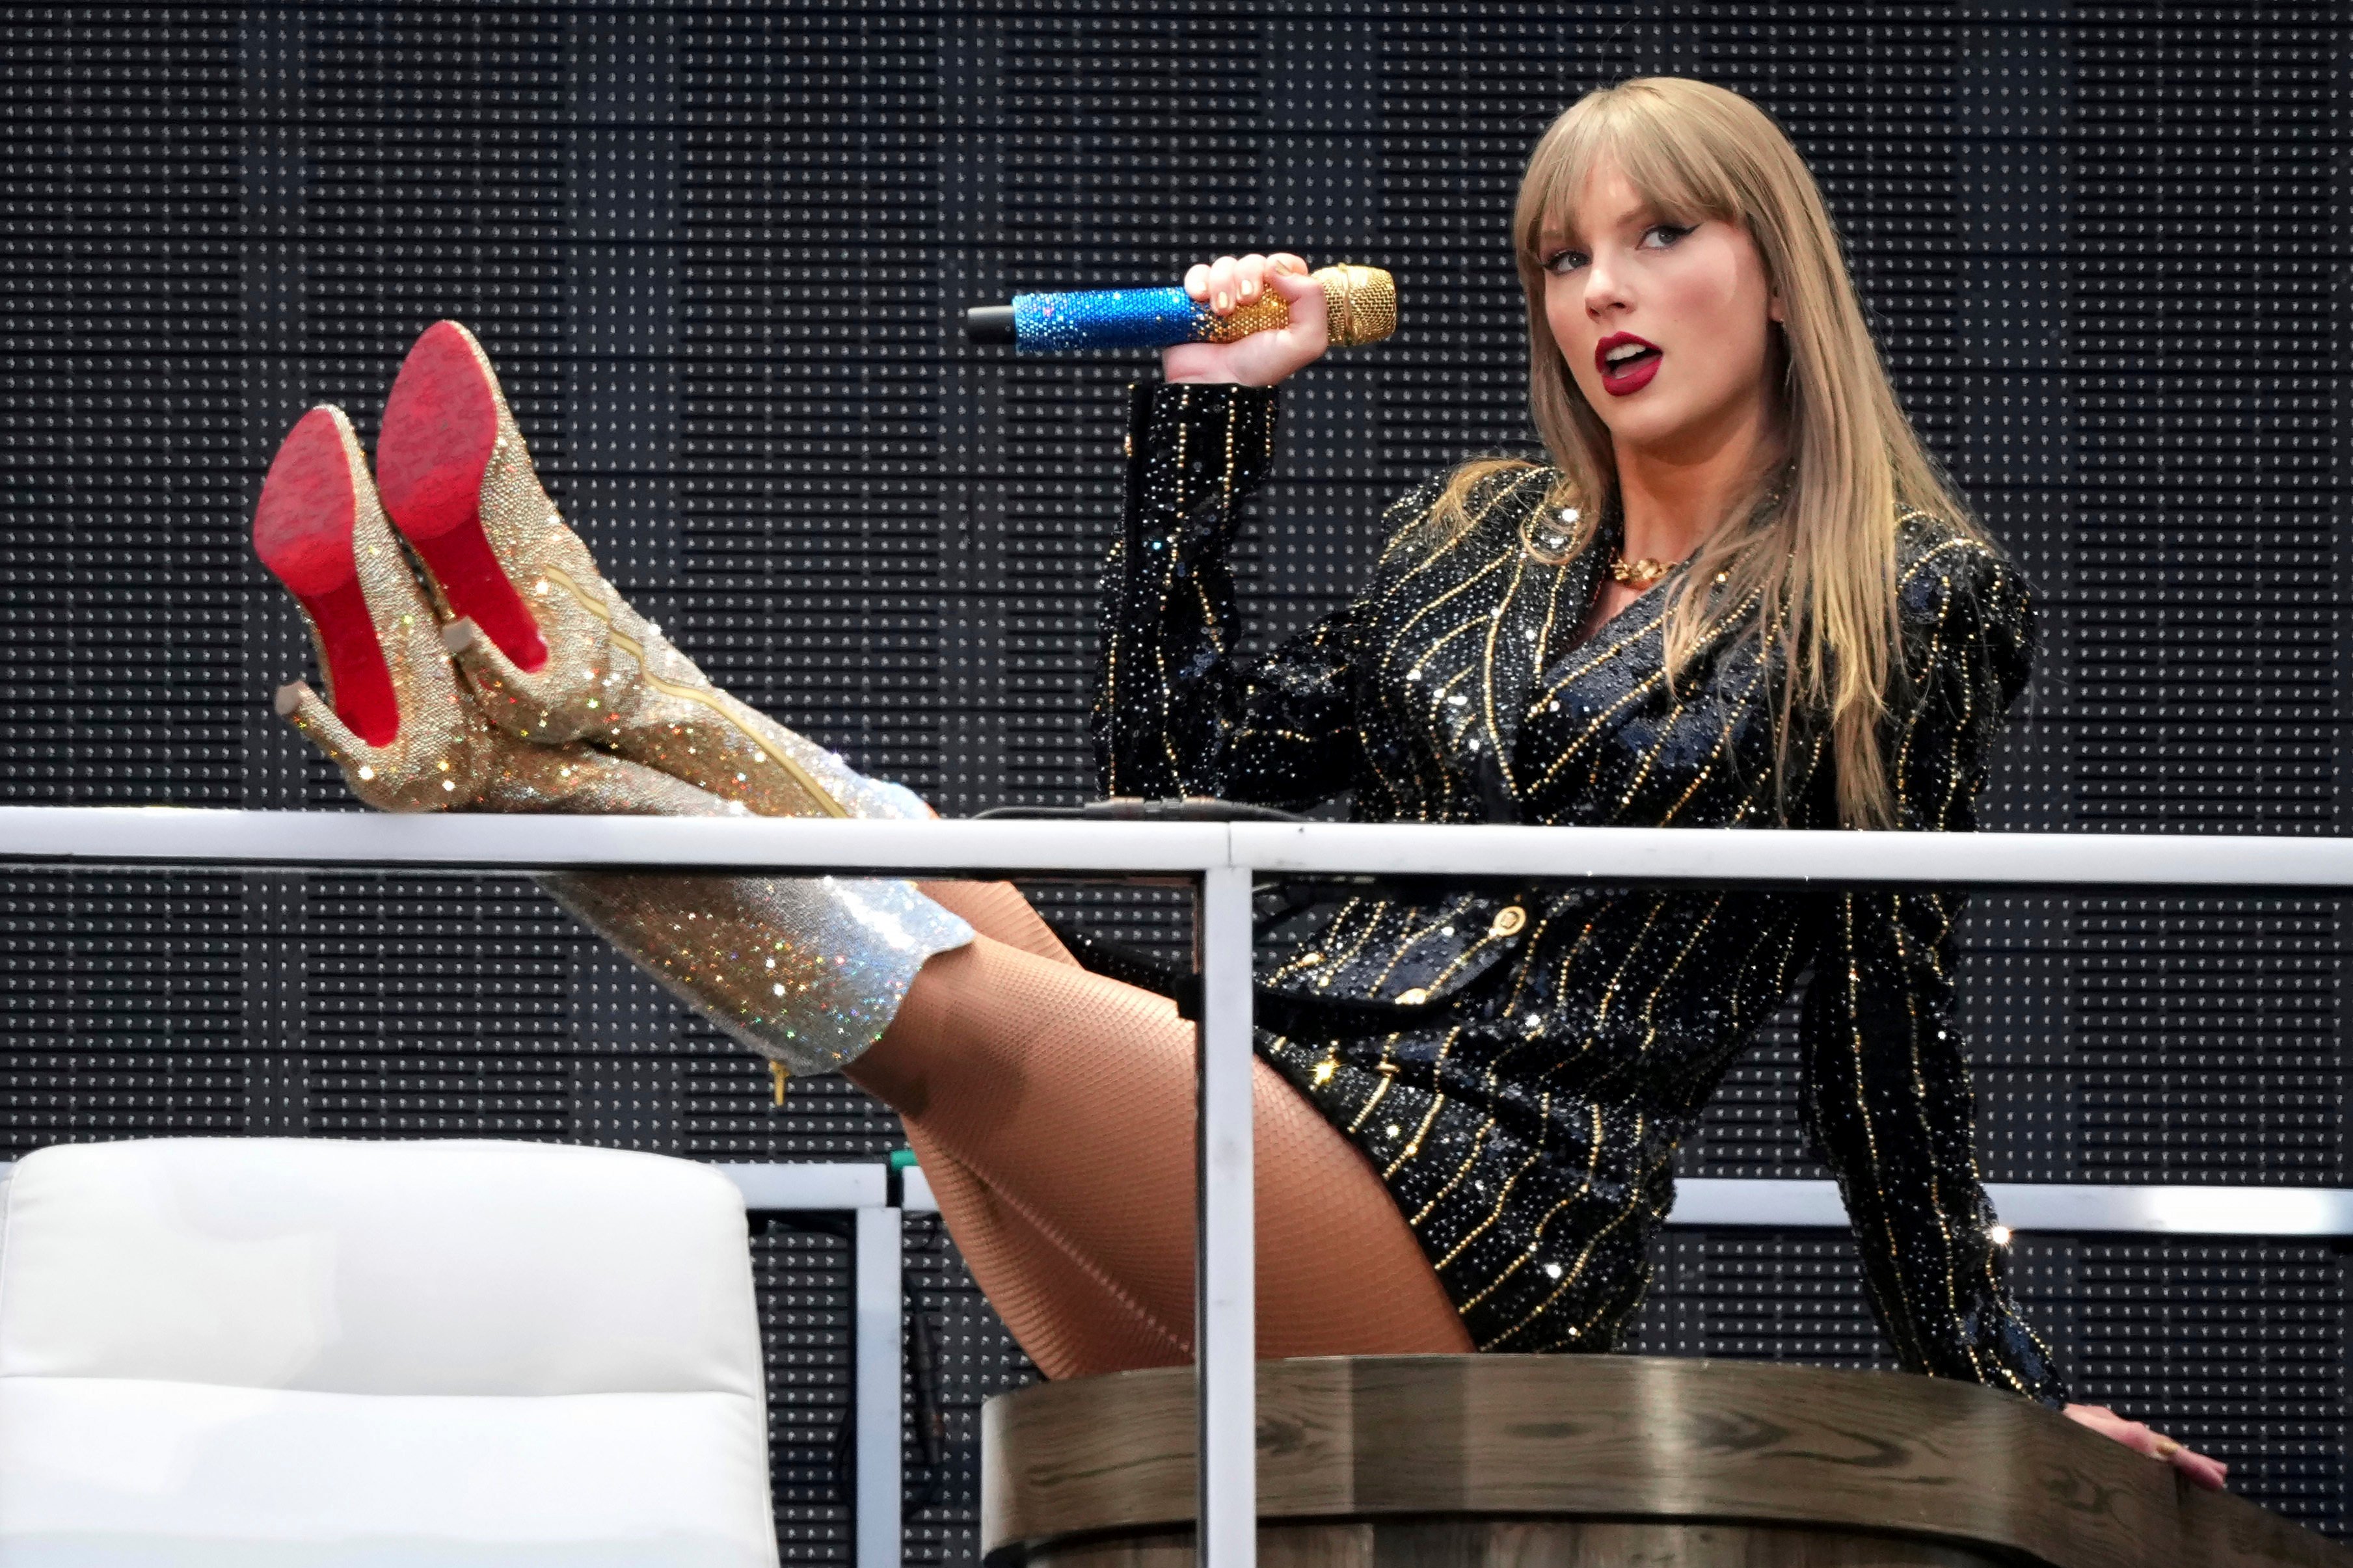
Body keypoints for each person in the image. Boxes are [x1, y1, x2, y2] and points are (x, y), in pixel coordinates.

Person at [249, 75, 2220, 1487]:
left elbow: (1888, 1026)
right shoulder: (1470, 534)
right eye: (1560, 256)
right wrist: (1204, 436)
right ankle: (521, 713)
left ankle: (542, 710)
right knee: (957, 879)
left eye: (1658, 236)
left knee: (940, 994)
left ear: (1774, 271)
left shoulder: (1906, 601)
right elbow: (1180, 762)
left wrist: (2000, 1378)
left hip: (1479, 1203)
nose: (1600, 291)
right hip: (1265, 1066)